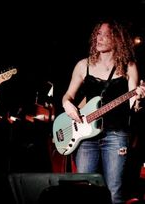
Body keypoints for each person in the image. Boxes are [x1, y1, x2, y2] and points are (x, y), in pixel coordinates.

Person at [61, 19, 145, 204]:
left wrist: (138, 99)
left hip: (116, 135)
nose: (99, 38)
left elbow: (133, 104)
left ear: (117, 39)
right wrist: (67, 105)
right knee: (84, 190)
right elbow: (67, 96)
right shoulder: (83, 65)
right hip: (85, 137)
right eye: (98, 34)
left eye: (105, 35)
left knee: (114, 191)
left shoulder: (128, 66)